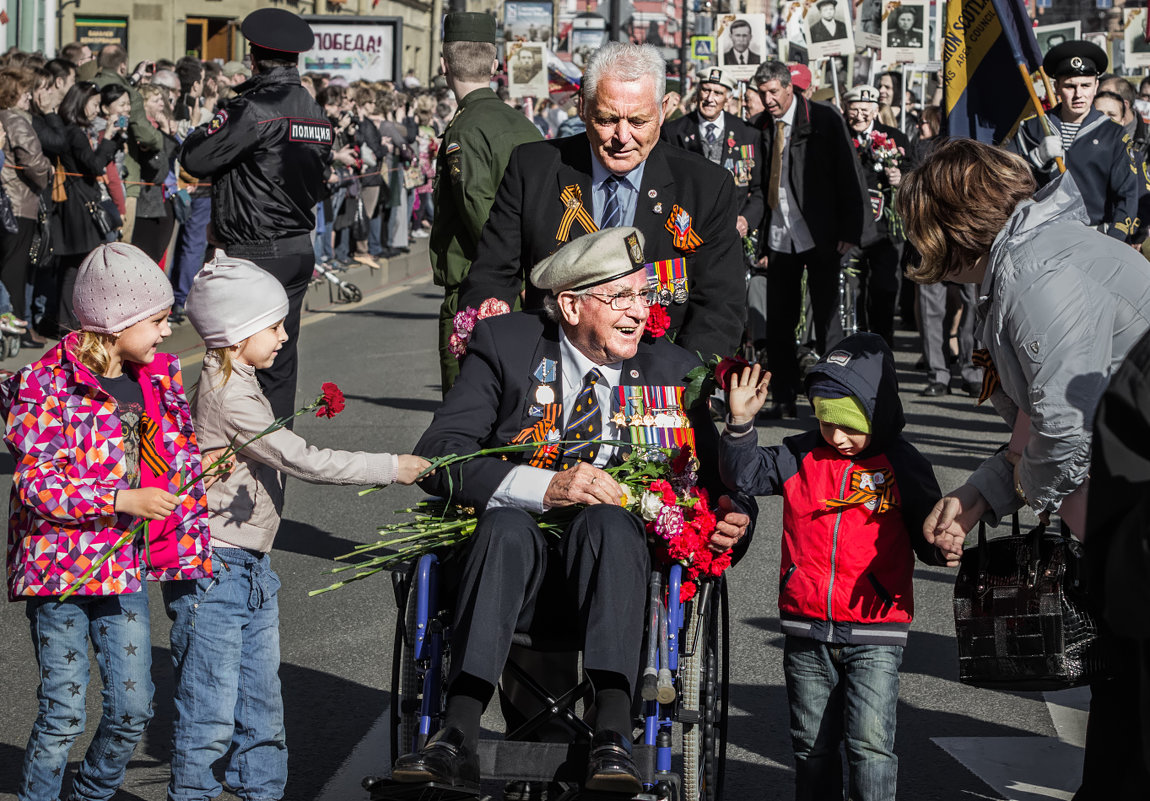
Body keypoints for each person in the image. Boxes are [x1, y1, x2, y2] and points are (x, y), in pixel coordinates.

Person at [393, 226, 753, 793]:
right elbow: (438, 456)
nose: (640, 312)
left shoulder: (671, 370)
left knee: (608, 520)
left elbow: (719, 483)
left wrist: (734, 516)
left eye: (643, 296)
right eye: (620, 298)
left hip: (616, 579)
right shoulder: (505, 346)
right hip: (511, 578)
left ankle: (612, 731)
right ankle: (455, 734)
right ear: (569, 304)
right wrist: (543, 486)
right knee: (508, 524)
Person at [897, 137, 1150, 801]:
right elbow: (1040, 423)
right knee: (1122, 703)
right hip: (1126, 507)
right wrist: (979, 495)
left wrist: (1023, 492)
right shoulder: (1026, 262)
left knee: (1132, 706)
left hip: (1137, 514)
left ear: (949, 223)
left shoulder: (1036, 275)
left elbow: (1065, 431)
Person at [166, 254, 429, 801]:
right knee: (211, 709)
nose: (284, 336)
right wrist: (391, 468)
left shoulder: (234, 380)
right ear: (238, 334)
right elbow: (303, 458)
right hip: (218, 568)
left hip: (246, 564)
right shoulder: (232, 395)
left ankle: (261, 791)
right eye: (274, 325)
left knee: (260, 702)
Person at [1, 242, 216, 801]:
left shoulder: (154, 378)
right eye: (158, 320)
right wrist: (121, 499)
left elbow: (168, 456)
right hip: (61, 573)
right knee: (64, 715)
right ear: (116, 322)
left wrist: (198, 472)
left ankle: (91, 794)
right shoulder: (44, 385)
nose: (168, 332)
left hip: (121, 568)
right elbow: (35, 483)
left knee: (134, 711)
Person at [719, 333, 946, 801]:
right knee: (811, 749)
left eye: (850, 425)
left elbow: (930, 534)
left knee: (871, 747)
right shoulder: (802, 453)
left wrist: (944, 545)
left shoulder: (904, 465)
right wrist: (740, 424)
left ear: (878, 413)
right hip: (806, 629)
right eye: (827, 422)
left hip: (875, 632)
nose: (837, 437)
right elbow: (743, 474)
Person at [459, 42, 747, 366]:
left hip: (657, 381)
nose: (622, 137)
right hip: (550, 371)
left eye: (638, 121)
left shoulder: (705, 186)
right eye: (607, 119)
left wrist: (681, 384)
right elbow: (491, 275)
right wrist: (494, 354)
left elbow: (720, 305)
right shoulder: (532, 169)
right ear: (583, 106)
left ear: (663, 109)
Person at [180, 8, 333, 424]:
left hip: (255, 251)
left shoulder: (251, 109)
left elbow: (194, 156)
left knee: (232, 365)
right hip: (297, 248)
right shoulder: (316, 113)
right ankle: (273, 471)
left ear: (253, 57)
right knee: (279, 368)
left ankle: (227, 467)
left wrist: (206, 121)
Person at [430, 12, 541, 394]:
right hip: (526, 286)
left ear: (443, 65)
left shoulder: (465, 127)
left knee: (465, 409)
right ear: (495, 66)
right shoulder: (522, 124)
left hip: (476, 289)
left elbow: (479, 212)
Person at [751, 59, 868, 419]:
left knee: (827, 320)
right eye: (762, 93)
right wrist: (761, 244)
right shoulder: (761, 127)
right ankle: (784, 397)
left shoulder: (823, 119)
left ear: (790, 88)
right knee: (780, 321)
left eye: (773, 92)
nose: (767, 99)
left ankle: (832, 398)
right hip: (780, 235)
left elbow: (849, 173)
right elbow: (758, 185)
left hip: (821, 233)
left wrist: (851, 230)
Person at [1014, 40, 1139, 242]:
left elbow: (1128, 195)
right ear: (1056, 87)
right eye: (1070, 86)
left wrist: (1115, 239)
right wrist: (1035, 159)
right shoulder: (1031, 129)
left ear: (1096, 85)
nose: (1078, 94)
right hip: (1042, 239)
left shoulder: (1114, 134)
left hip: (1096, 237)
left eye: (1086, 85)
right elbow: (1005, 183)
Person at [910, 106, 982, 398]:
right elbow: (914, 190)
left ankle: (972, 369)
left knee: (976, 307)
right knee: (931, 310)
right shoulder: (921, 150)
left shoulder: (973, 150)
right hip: (931, 238)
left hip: (966, 241)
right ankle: (937, 373)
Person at [51, 81, 125, 332]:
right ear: (80, 104)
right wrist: (109, 139)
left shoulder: (74, 131)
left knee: (75, 266)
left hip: (78, 200)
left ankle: (67, 320)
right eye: (93, 105)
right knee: (77, 265)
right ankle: (68, 322)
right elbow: (93, 165)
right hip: (78, 203)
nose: (96, 110)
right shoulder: (74, 132)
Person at [842, 84, 912, 350]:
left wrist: (900, 178)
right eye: (854, 110)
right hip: (850, 233)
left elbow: (914, 172)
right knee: (850, 293)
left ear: (875, 111)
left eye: (864, 110)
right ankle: (852, 348)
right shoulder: (840, 137)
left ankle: (882, 348)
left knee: (884, 291)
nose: (859, 116)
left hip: (885, 233)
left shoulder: (895, 137)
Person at [661, 66, 764, 240]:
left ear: (728, 98)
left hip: (732, 234)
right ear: (698, 93)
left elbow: (758, 189)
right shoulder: (673, 131)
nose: (710, 98)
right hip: (687, 233)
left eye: (717, 93)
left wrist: (746, 219)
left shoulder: (747, 133)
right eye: (706, 90)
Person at [0, 67, 53, 348]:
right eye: (25, 92)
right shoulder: (16, 121)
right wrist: (47, 174)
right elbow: (33, 162)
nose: (29, 97)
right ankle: (16, 329)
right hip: (18, 202)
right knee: (14, 270)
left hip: (8, 201)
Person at [94, 44, 164, 244]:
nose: (126, 108)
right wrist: (161, 138)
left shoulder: (88, 85)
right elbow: (145, 133)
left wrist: (133, 80)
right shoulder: (128, 95)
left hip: (89, 184)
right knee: (120, 246)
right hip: (123, 178)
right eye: (122, 105)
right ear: (123, 66)